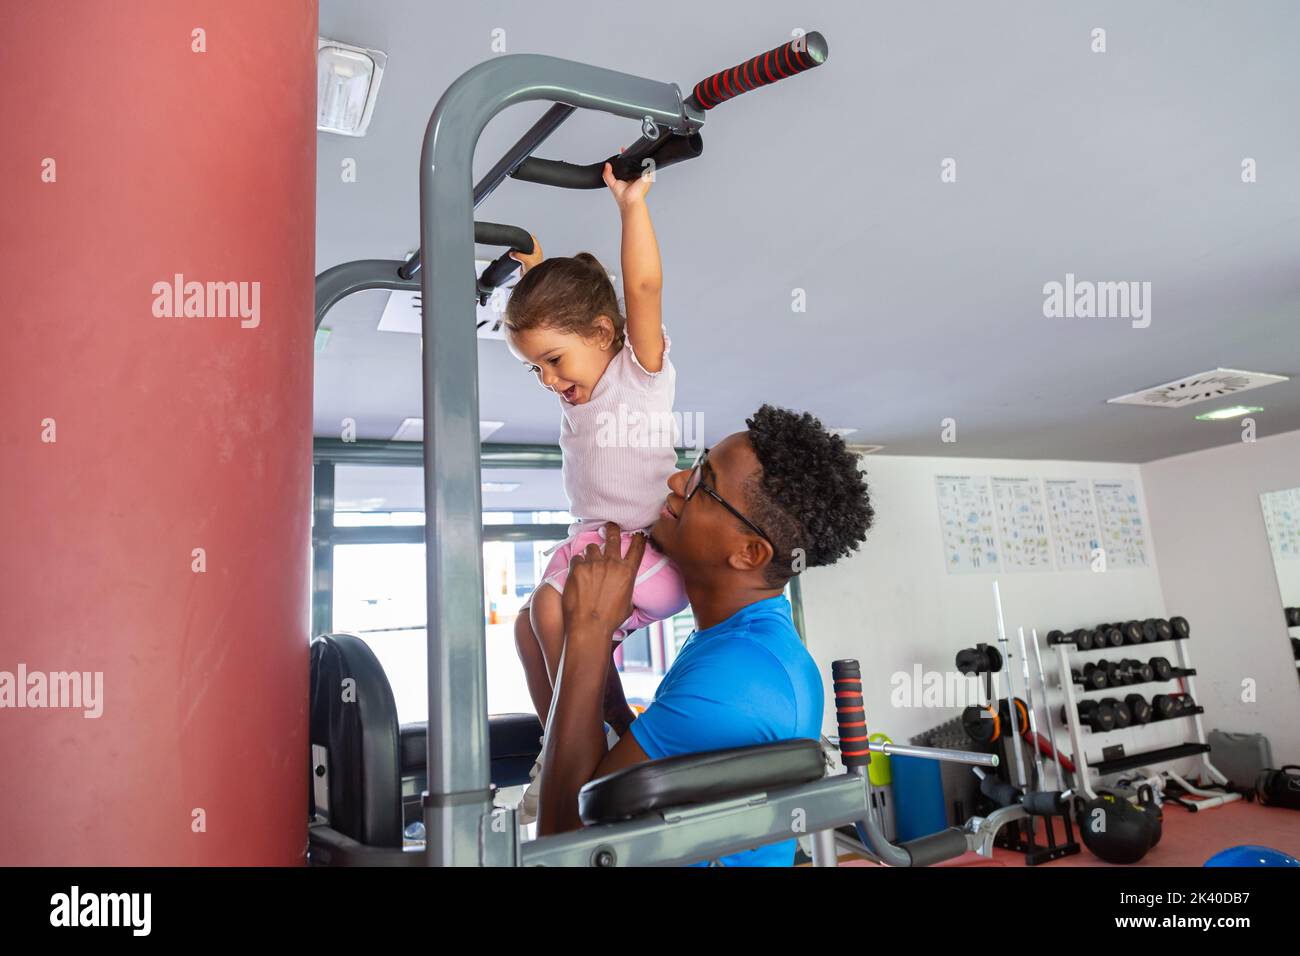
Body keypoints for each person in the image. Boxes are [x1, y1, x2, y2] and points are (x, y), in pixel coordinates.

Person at [537, 405, 875, 866]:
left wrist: (589, 631)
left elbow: (564, 850)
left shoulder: (739, 676)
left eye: (702, 484)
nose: (676, 482)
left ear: (748, 552)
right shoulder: (735, 641)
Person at [503, 156, 689, 824]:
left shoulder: (638, 372)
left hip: (647, 555)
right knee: (527, 630)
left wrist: (632, 205)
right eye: (535, 370)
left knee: (551, 617)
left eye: (553, 362)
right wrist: (535, 269)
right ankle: (580, 733)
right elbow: (561, 315)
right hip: (599, 548)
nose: (549, 380)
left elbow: (640, 287)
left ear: (603, 335)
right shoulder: (580, 382)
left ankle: (586, 735)